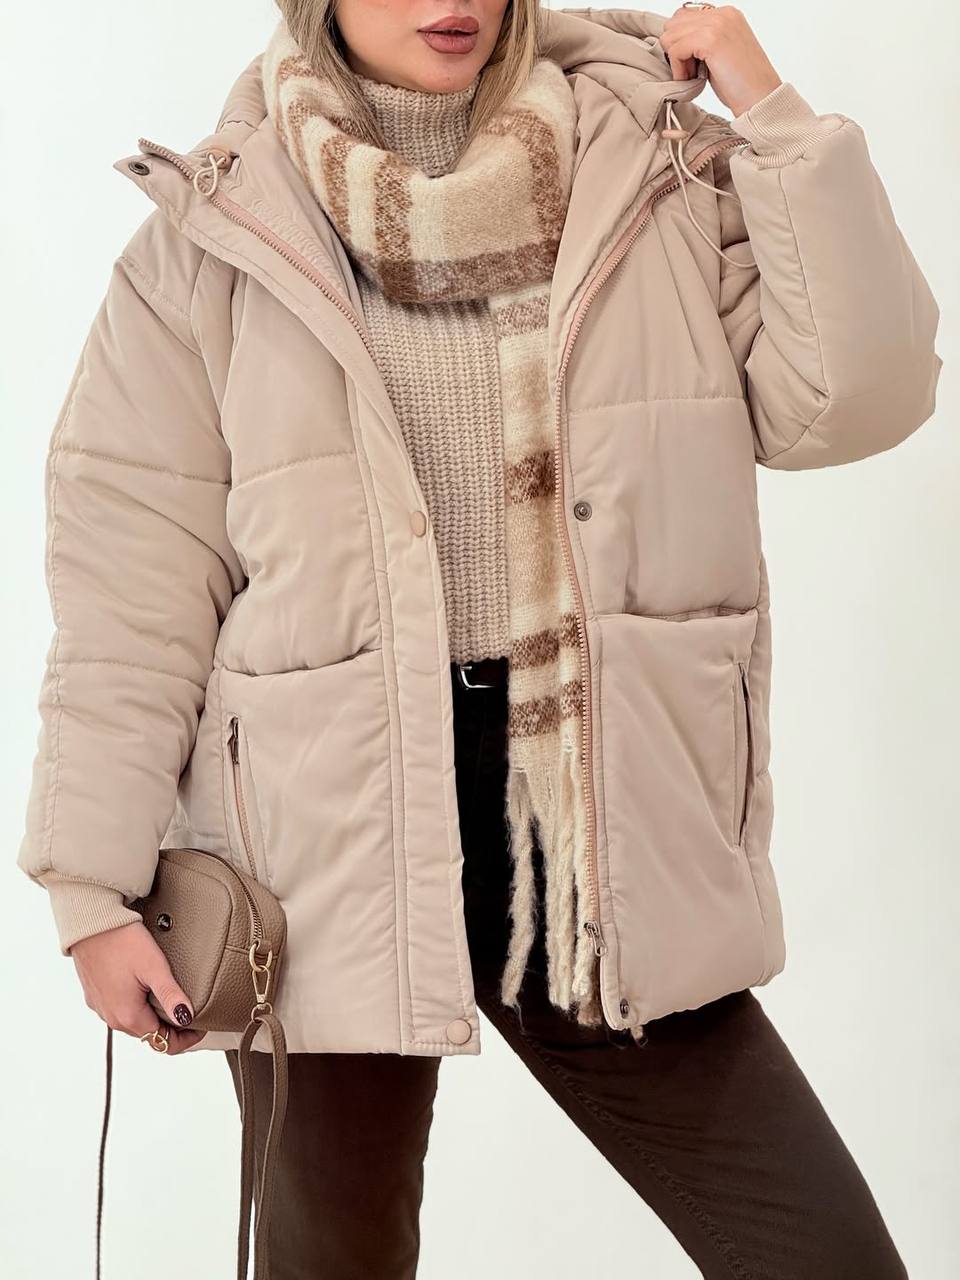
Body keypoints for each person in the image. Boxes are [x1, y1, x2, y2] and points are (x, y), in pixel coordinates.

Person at [18, 2, 941, 1275]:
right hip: (322, 836)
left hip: (591, 815)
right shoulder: (214, 235)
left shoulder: (652, 170)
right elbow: (132, 593)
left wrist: (770, 114)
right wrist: (89, 885)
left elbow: (852, 399)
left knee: (823, 1252)